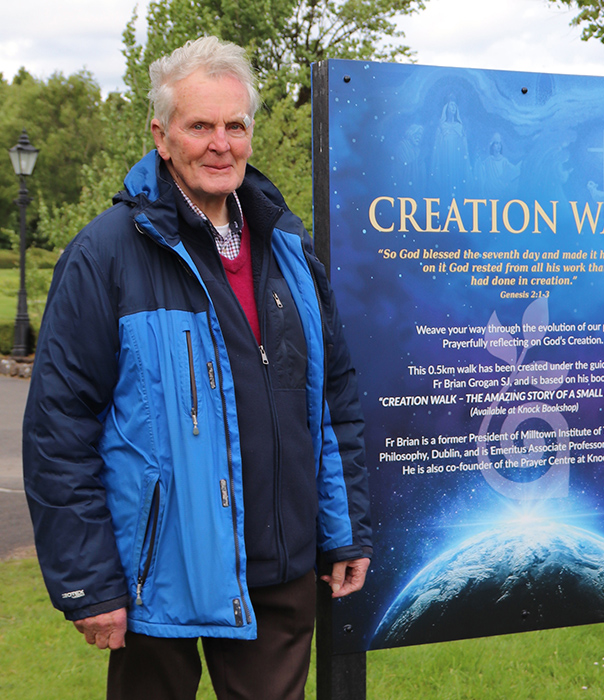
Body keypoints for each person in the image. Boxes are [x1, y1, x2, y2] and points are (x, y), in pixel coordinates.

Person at [22, 36, 371, 700]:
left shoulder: (291, 253)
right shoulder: (105, 256)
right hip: (160, 578)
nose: (221, 143)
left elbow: (333, 403)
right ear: (161, 135)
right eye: (199, 125)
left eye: (234, 125)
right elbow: (58, 433)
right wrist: (88, 583)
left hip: (281, 566)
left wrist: (343, 527)